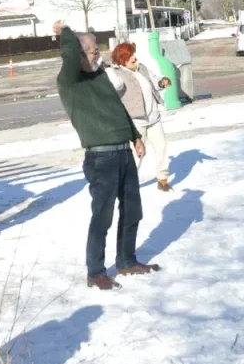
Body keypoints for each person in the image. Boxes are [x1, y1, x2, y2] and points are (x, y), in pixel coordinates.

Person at [55, 21, 158, 290]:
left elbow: (117, 108)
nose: (98, 55)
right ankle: (96, 271)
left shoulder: (100, 75)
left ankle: (127, 261)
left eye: (97, 50)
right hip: (101, 158)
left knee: (133, 210)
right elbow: (68, 53)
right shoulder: (69, 81)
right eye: (91, 51)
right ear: (77, 55)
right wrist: (66, 32)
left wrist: (135, 136)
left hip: (123, 153)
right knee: (103, 215)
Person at [105, 42, 173, 191]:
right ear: (123, 59)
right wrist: (109, 70)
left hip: (153, 118)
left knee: (161, 147)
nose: (135, 59)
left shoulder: (142, 69)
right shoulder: (118, 74)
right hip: (136, 122)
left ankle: (162, 179)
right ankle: (127, 183)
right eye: (131, 57)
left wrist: (163, 82)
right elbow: (116, 87)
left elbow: (155, 82)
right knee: (137, 154)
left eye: (134, 55)